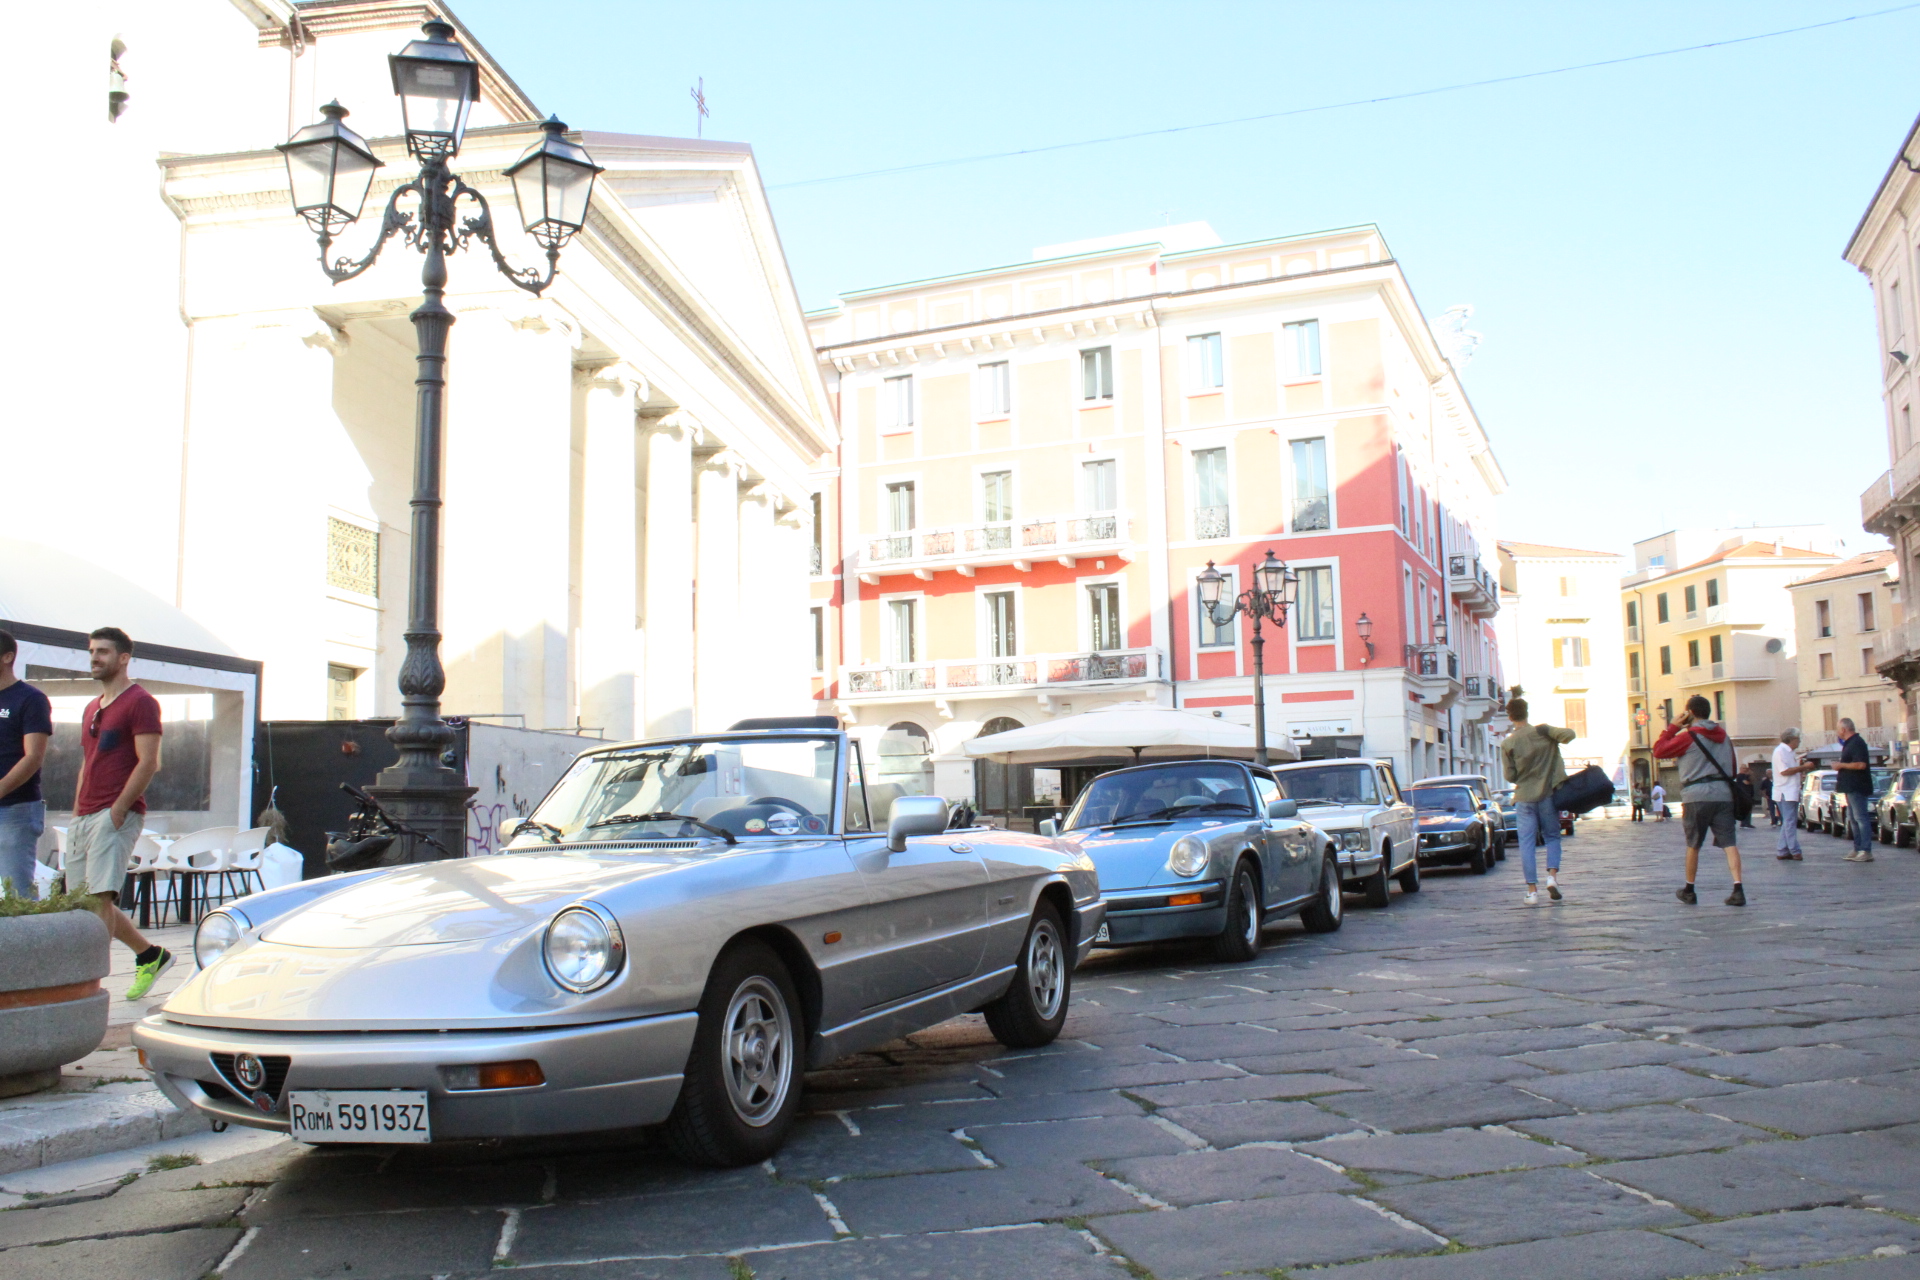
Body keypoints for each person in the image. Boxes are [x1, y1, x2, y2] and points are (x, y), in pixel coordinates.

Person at [67, 628, 173, 998]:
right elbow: (88, 760)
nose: (95, 658)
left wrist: (118, 809)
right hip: (86, 813)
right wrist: (79, 807)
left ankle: (85, 986)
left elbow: (150, 762)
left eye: (104, 652)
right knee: (81, 902)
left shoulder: (140, 702)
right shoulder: (91, 707)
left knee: (98, 900)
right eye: (92, 651)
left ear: (124, 657)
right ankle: (150, 954)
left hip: (115, 813)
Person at [1652, 694, 1745, 906]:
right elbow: (1732, 766)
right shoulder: (1725, 736)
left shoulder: (1688, 737)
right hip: (1723, 794)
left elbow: (1659, 751)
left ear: (1690, 713)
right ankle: (1738, 888)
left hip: (1696, 795)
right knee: (1729, 843)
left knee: (1693, 844)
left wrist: (1673, 727)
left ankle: (1689, 889)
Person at [1499, 696, 1574, 906]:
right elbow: (1570, 735)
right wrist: (1549, 731)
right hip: (1548, 795)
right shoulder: (1543, 732)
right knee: (1552, 837)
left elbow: (1510, 776)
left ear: (1510, 716)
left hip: (1524, 798)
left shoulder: (1508, 742)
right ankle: (1552, 877)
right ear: (1527, 712)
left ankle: (1532, 891)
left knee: (1527, 844)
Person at [0, 631, 53, 900]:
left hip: (15, 809)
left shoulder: (30, 699)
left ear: (7, 657)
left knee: (16, 894)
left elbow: (33, 757)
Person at [1834, 717, 1876, 863]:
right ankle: (1858, 848)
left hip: (1857, 786)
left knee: (1861, 818)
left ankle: (1866, 850)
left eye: (1838, 729)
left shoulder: (1857, 743)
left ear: (1843, 729)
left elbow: (1860, 765)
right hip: (1850, 787)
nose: (1837, 732)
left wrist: (1841, 765)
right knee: (1853, 819)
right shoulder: (1850, 744)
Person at [1771, 728, 1812, 862]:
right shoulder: (1780, 752)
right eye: (1797, 739)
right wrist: (1804, 767)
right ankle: (1794, 850)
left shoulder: (1789, 753)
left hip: (1790, 791)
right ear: (1792, 739)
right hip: (1785, 792)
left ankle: (1782, 850)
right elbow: (1785, 771)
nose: (1799, 742)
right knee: (1789, 822)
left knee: (1788, 822)